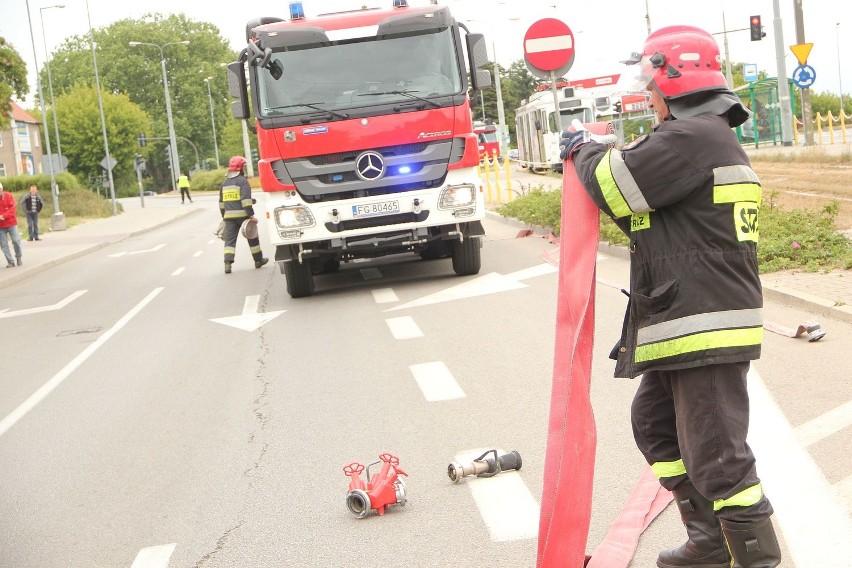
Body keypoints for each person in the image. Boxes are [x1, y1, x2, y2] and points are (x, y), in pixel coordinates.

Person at [559, 25, 780, 568]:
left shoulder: (693, 137)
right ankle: (707, 543)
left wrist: (585, 149)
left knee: (719, 457)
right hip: (688, 317)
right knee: (655, 425)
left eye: (650, 83)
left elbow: (617, 186)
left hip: (703, 321)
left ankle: (756, 558)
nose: (649, 97)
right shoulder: (703, 138)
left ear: (671, 81)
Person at [219, 156, 268, 274]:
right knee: (252, 236)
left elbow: (221, 204)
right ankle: (258, 260)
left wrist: (224, 217)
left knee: (229, 241)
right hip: (243, 216)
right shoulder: (242, 181)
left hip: (229, 217)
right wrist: (250, 215)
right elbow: (245, 201)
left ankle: (227, 264)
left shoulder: (224, 183)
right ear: (240, 168)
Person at [0, 182, 23, 268]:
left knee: (16, 240)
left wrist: (3, 216)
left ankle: (18, 257)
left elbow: (12, 209)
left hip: (11, 223)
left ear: (2, 189)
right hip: (0, 226)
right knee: (3, 245)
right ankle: (10, 261)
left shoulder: (8, 196)